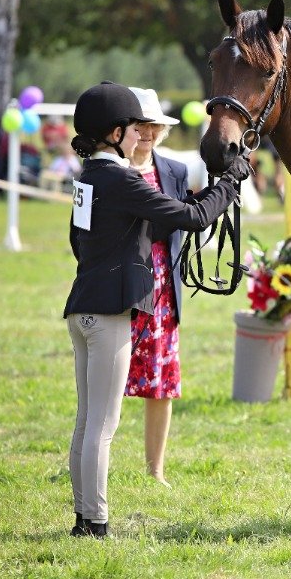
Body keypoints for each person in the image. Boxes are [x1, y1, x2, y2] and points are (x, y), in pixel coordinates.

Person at [64, 81, 249, 539]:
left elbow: (76, 241)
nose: (138, 135)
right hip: (110, 314)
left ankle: (84, 515)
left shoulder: (86, 177)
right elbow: (192, 217)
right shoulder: (121, 178)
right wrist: (230, 181)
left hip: (81, 306)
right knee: (102, 426)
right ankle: (96, 521)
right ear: (113, 133)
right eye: (131, 127)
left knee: (87, 420)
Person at [124, 87, 185, 487]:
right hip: (123, 288)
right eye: (139, 124)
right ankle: (96, 465)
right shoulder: (111, 171)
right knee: (109, 382)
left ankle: (156, 469)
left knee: (161, 384)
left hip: (165, 291)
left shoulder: (175, 172)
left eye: (153, 125)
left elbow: (186, 220)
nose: (147, 132)